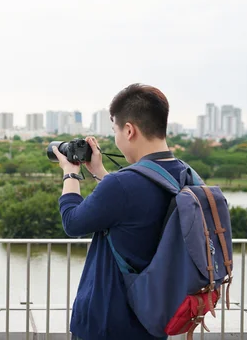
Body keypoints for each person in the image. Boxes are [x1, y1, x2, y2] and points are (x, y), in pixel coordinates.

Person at [51, 83, 182, 340]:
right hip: (154, 319)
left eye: (115, 130)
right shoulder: (184, 174)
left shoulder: (123, 184)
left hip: (107, 321)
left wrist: (70, 173)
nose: (116, 138)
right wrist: (100, 173)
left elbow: (72, 223)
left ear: (129, 130)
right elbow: (133, 202)